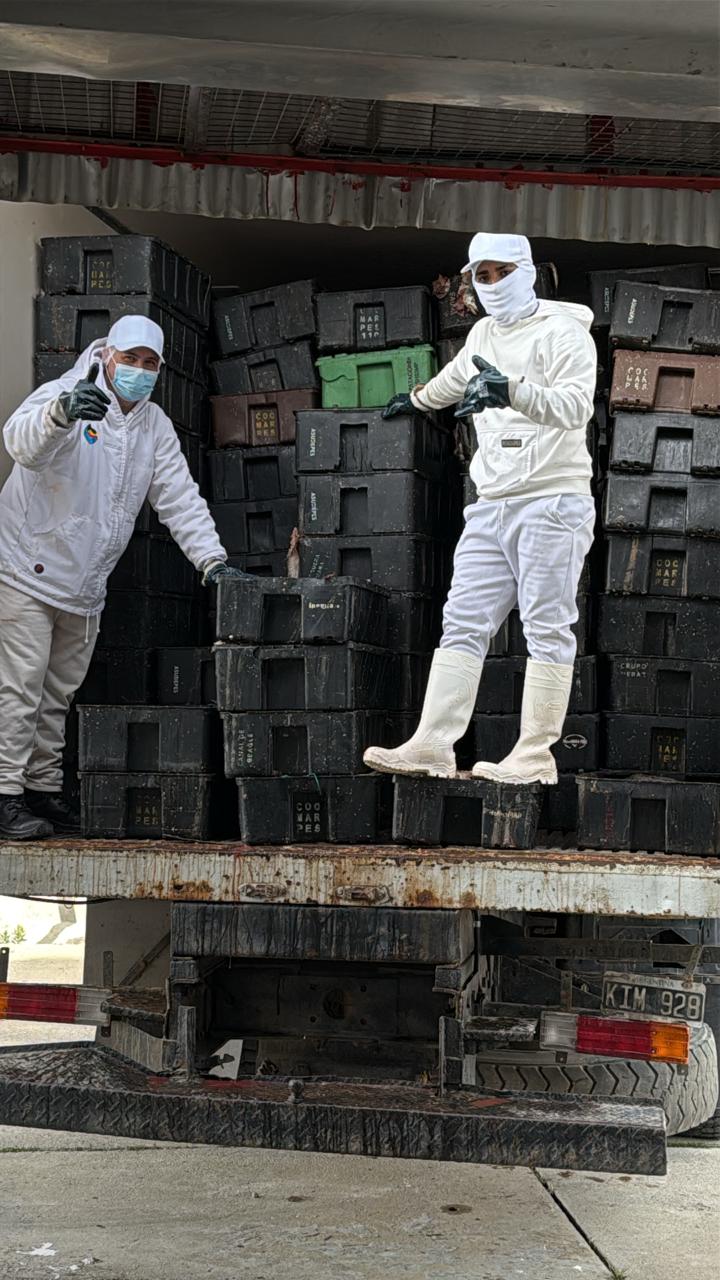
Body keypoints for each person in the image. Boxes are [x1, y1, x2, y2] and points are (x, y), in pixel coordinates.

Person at [364, 232, 596, 787]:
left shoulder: (565, 334)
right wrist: (417, 400)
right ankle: (433, 744)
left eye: (500, 273)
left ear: (527, 271)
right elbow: (459, 375)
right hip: (492, 501)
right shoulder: (483, 332)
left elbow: (575, 406)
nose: (491, 285)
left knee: (546, 626)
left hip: (551, 499)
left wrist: (510, 391)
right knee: (463, 621)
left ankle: (535, 753)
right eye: (481, 277)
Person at [0, 316, 245, 840]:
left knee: (56, 695)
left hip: (85, 586)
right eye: (129, 358)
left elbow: (178, 496)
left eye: (149, 363)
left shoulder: (152, 425)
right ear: (107, 354)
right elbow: (20, 444)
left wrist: (212, 561)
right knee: (18, 688)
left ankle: (40, 789)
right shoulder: (67, 393)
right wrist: (60, 416)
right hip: (25, 570)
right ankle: (3, 794)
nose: (138, 370)